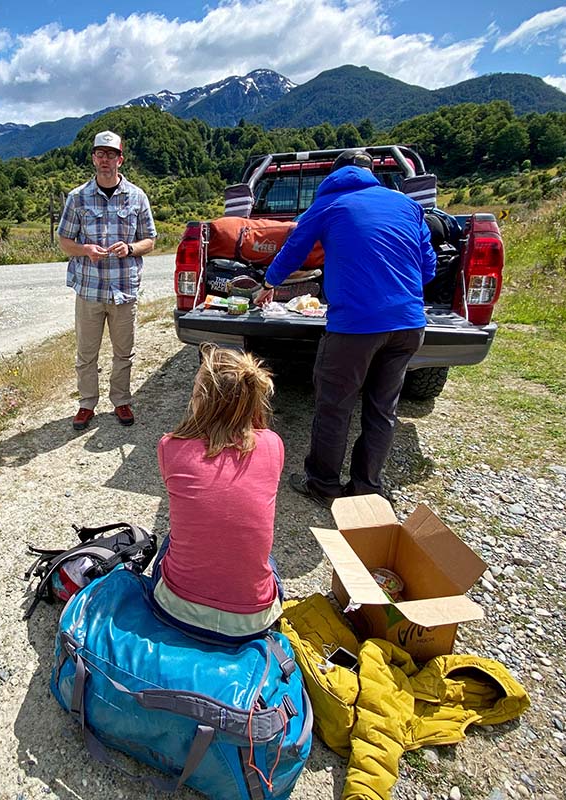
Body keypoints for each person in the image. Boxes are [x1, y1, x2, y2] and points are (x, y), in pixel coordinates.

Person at [254, 148, 435, 505]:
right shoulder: (407, 205)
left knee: (335, 405)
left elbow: (293, 251)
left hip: (355, 326)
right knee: (383, 408)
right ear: (372, 174)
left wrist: (268, 282)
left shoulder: (328, 204)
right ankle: (367, 486)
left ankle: (322, 485)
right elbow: (427, 267)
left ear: (333, 176)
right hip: (409, 324)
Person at [150, 344, 284, 643]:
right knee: (256, 553)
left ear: (201, 399)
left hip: (177, 610)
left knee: (176, 536)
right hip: (253, 622)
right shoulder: (273, 444)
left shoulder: (170, 446)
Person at [57, 130, 157, 431]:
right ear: (93, 158)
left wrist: (130, 248)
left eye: (110, 154)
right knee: (86, 353)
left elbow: (150, 240)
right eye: (100, 154)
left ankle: (121, 400)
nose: (105, 159)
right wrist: (85, 250)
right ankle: (87, 404)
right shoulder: (77, 198)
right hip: (89, 289)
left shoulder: (137, 196)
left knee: (123, 351)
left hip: (124, 289)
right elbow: (64, 241)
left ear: (120, 159)